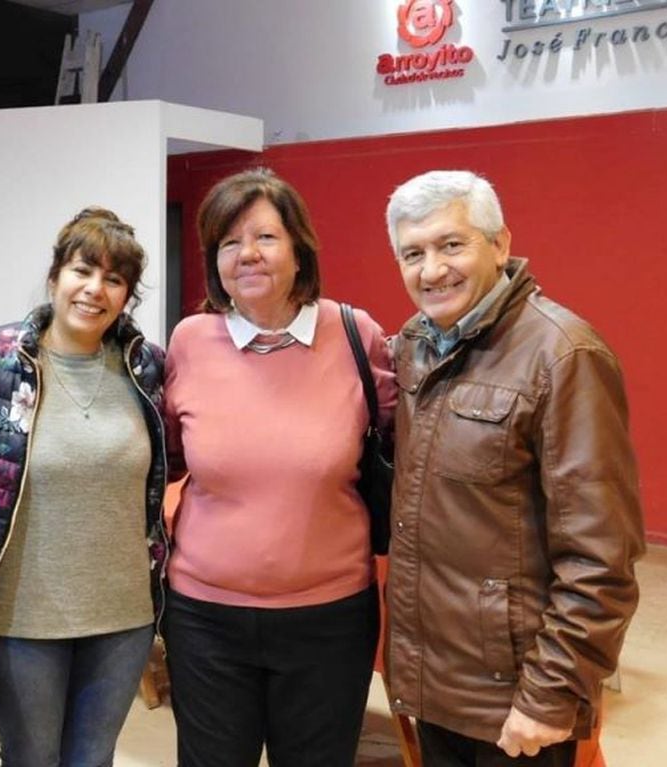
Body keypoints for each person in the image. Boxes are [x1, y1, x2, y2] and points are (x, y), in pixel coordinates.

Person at [383, 170, 645, 766]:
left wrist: (550, 695)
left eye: (453, 245)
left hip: (516, 698)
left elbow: (602, 557)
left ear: (500, 245)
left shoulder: (564, 355)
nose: (432, 270)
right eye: (413, 253)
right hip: (437, 685)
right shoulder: (416, 347)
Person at [162, 167, 396, 767]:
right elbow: (164, 458)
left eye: (265, 237)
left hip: (330, 618)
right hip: (205, 619)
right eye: (228, 242)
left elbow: (406, 442)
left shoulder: (354, 335)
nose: (247, 255)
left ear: (299, 250)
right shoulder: (190, 340)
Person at [0, 207, 167, 767]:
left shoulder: (147, 370)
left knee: (93, 759)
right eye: (82, 270)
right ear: (55, 276)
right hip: (20, 619)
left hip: (123, 615)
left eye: (114, 280)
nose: (95, 289)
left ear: (127, 295)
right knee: (31, 758)